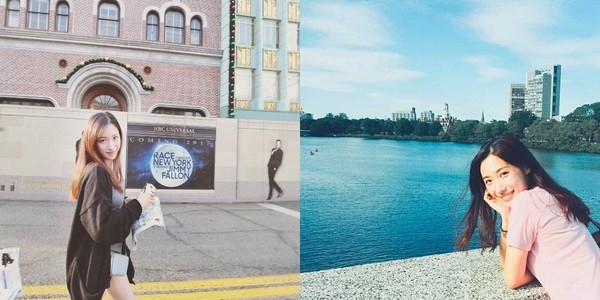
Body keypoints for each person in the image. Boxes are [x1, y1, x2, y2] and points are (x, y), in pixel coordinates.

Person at [455, 135, 600, 299]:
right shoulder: (551, 197)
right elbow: (512, 265)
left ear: (525, 166)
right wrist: (506, 215)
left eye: (503, 173)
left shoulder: (527, 202)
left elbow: (512, 279)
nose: (498, 189)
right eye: (488, 181)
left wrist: (508, 216)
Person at [67, 112, 155, 300]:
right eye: (103, 140)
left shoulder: (105, 168)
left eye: (115, 138)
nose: (112, 146)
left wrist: (124, 203)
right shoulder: (97, 171)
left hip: (109, 260)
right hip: (101, 261)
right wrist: (138, 205)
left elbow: (101, 208)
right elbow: (102, 227)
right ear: (92, 142)